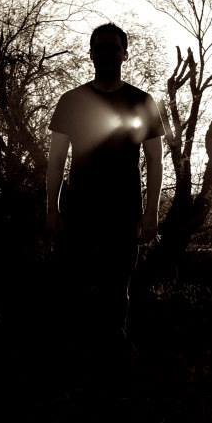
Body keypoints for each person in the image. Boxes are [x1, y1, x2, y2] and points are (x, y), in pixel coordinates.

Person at [42, 22, 166, 372]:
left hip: (124, 209)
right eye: (100, 47)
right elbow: (55, 161)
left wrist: (151, 212)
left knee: (117, 288)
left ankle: (114, 359)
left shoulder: (141, 101)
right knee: (73, 284)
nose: (107, 53)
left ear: (125, 53)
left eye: (114, 47)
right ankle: (72, 359)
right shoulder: (72, 101)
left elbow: (155, 160)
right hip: (78, 208)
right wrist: (51, 209)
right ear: (91, 53)